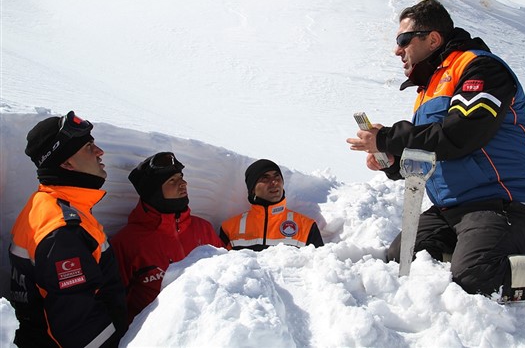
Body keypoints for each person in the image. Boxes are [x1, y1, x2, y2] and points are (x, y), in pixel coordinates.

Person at [346, 0, 525, 333]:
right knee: (402, 258)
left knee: (474, 273)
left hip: (508, 204)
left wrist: (391, 138)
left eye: (403, 40)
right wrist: (392, 163)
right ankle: (477, 251)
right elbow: (431, 152)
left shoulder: (481, 69)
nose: (398, 51)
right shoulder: (428, 90)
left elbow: (461, 134)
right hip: (455, 208)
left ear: (433, 39)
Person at [8, 111, 127, 347]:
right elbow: (79, 329)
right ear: (66, 163)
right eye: (88, 147)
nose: (99, 152)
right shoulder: (62, 229)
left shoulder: (45, 205)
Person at [111, 152, 224, 323]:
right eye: (172, 180)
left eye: (181, 177)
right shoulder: (127, 242)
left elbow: (230, 272)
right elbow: (114, 303)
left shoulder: (203, 228)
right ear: (153, 191)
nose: (183, 183)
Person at [220, 159, 324, 251]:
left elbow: (319, 267)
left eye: (277, 176)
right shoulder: (230, 228)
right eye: (265, 178)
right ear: (252, 190)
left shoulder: (306, 226)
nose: (274, 182)